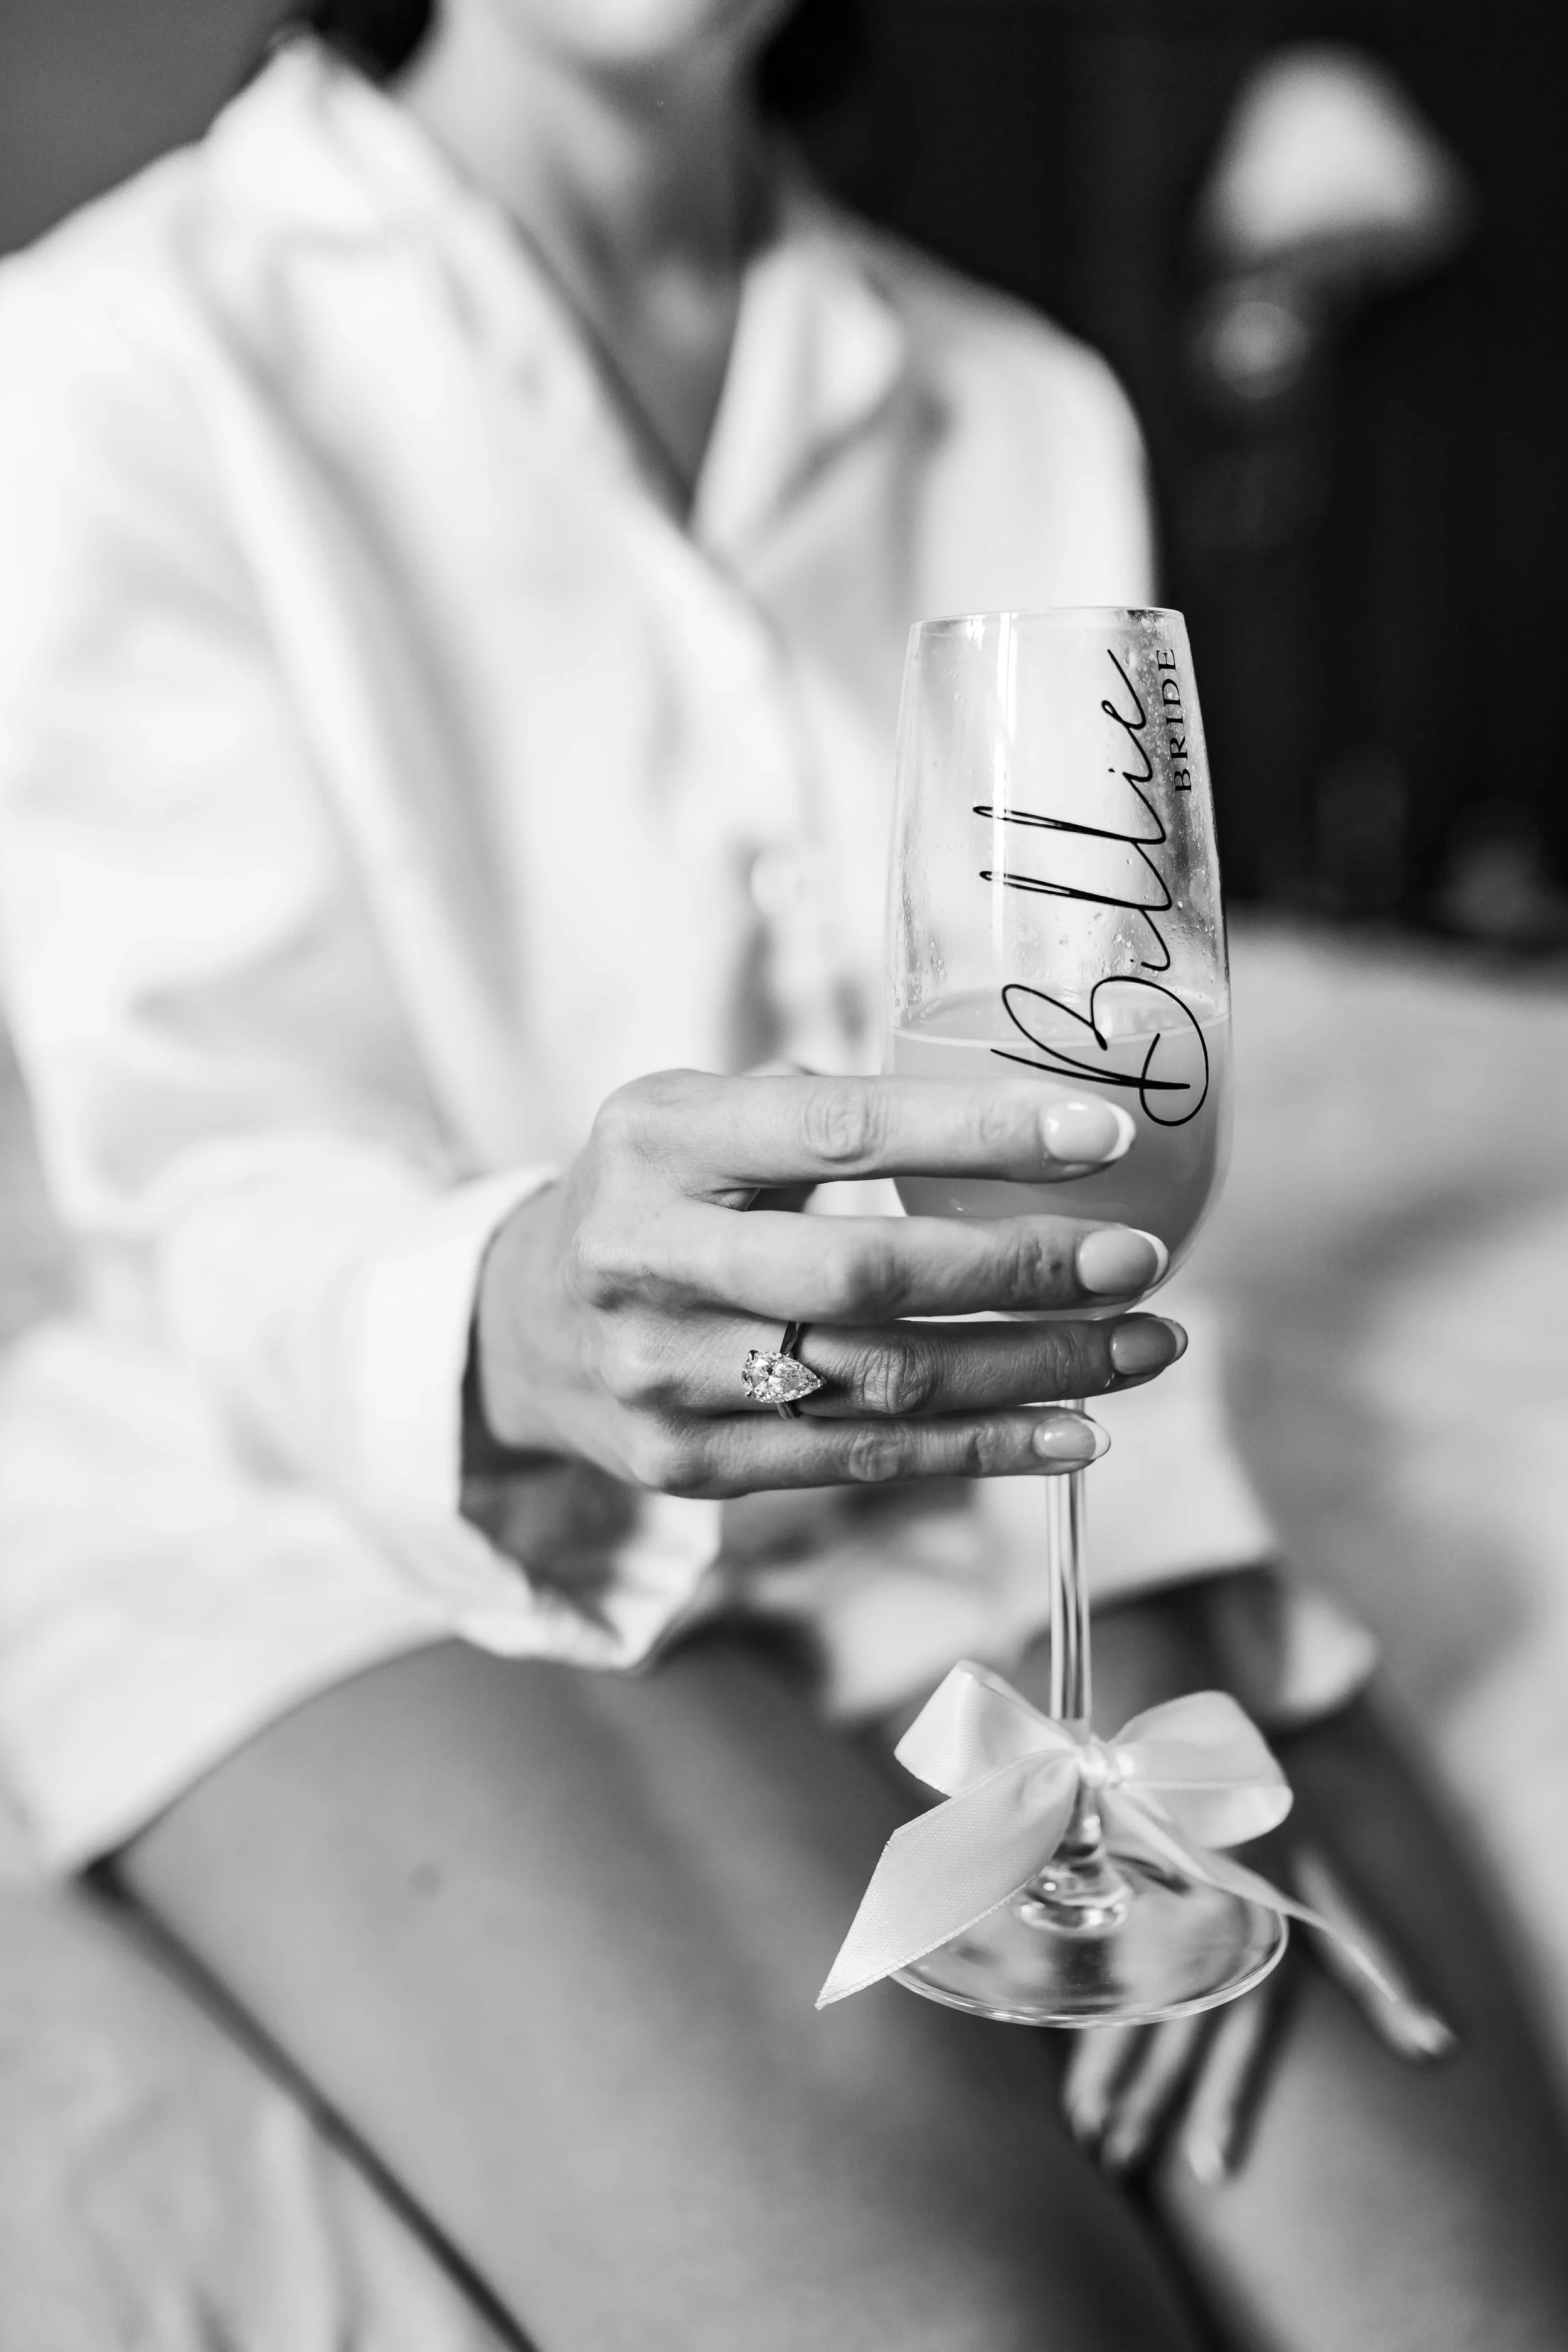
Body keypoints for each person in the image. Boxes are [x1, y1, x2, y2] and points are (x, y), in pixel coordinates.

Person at [0, 3, 1563, 2345]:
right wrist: (505, 1308)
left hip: (951, 1497)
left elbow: (1096, 1110)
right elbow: (211, 1168)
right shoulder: (112, 360)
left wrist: (1105, 1606)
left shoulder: (1019, 407)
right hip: (355, 1515)